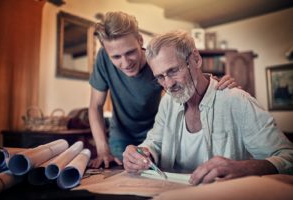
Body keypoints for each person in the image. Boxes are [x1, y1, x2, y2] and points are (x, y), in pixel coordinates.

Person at [122, 30, 293, 185]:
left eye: (173, 70)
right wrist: (142, 153)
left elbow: (288, 158)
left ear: (196, 59)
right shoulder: (168, 102)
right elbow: (155, 142)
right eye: (160, 77)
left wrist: (244, 168)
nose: (168, 84)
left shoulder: (237, 101)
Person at [89, 11, 238, 168]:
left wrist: (215, 86)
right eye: (116, 57)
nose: (125, 63)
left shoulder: (157, 63)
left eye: (130, 52)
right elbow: (95, 106)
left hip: (155, 133)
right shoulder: (102, 59)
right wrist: (102, 150)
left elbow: (187, 83)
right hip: (121, 136)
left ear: (140, 41)